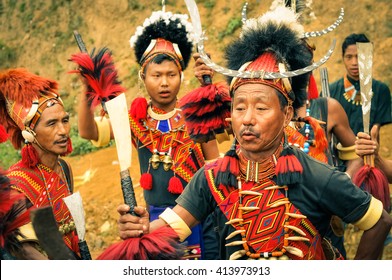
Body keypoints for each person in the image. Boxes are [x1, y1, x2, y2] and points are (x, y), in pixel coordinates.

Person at [116, 5, 392, 260]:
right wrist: (144, 228)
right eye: (239, 107)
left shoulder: (316, 176)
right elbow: (173, 226)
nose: (247, 119)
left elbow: (379, 222)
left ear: (286, 114)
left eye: (261, 108)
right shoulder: (212, 178)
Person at [73, 8, 223, 260]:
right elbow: (88, 131)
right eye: (156, 75)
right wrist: (88, 89)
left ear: (181, 76)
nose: (164, 83)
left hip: (199, 218)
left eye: (171, 75)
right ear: (143, 77)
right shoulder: (134, 120)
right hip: (152, 220)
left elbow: (215, 167)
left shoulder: (195, 115)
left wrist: (208, 90)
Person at [0, 68, 81, 259]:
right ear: (29, 132)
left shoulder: (64, 168)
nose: (63, 131)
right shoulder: (15, 183)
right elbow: (23, 248)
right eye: (51, 123)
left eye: (65, 120)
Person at [329, 33, 392, 138]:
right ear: (343, 58)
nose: (354, 62)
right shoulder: (331, 91)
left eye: (359, 56)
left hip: (370, 152)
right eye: (349, 57)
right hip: (338, 153)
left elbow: (376, 128)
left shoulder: (381, 90)